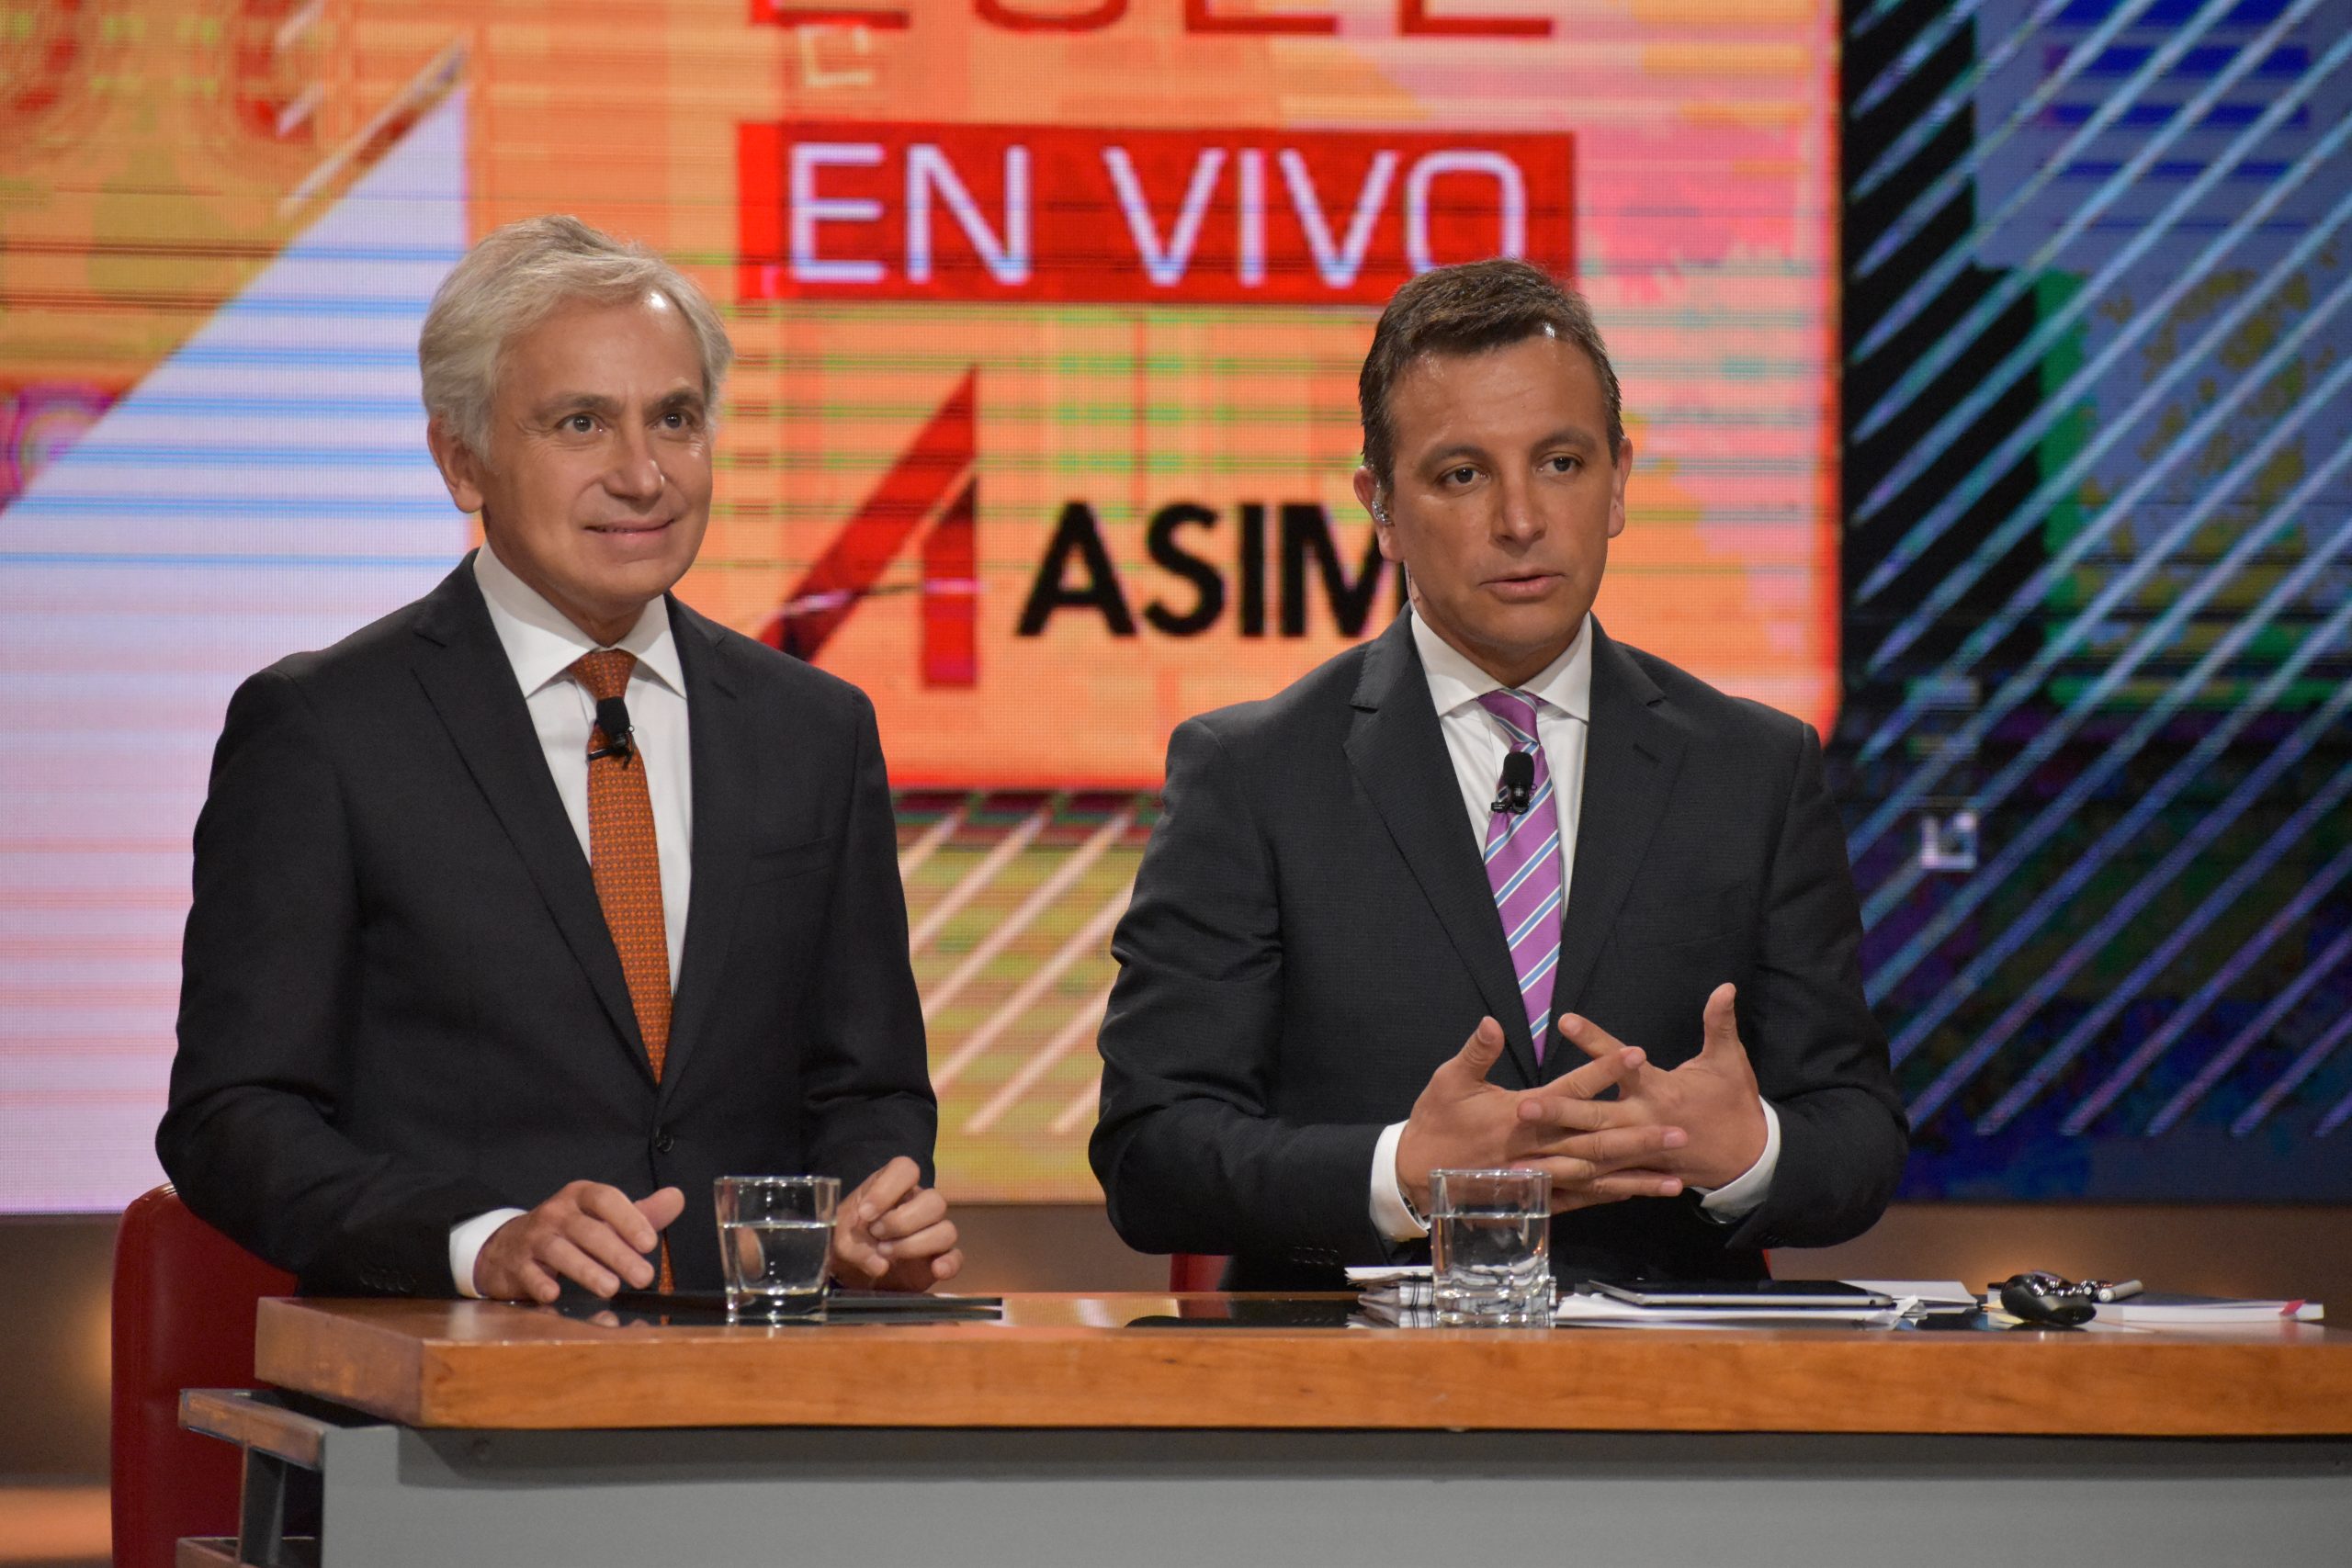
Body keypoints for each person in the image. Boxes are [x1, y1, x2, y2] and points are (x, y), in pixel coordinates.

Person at [162, 216, 961, 1302]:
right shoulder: (323, 730)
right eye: (581, 423)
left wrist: (870, 1207)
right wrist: (478, 1242)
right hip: (453, 1371)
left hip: (755, 1373)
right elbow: (231, 1117)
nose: (643, 474)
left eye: (674, 418)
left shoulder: (814, 729)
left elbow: (866, 1086)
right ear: (462, 461)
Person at [1091, 259, 1906, 1289]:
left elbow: (1858, 1135)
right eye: (1461, 475)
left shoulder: (1754, 771)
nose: (1521, 519)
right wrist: (1401, 1171)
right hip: (1346, 1376)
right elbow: (1150, 1156)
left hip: (1672, 1376)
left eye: (1561, 463)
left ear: (1619, 479)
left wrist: (1748, 1152)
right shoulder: (1252, 776)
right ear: (1381, 509)